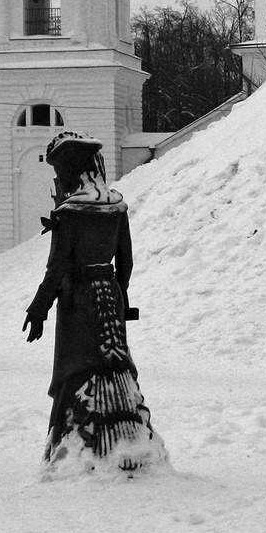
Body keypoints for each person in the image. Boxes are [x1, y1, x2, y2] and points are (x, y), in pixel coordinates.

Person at [23, 130, 167, 472]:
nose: (57, 178)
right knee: (112, 363)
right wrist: (118, 293)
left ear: (70, 169)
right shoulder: (116, 206)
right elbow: (126, 261)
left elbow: (57, 269)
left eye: (59, 171)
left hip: (78, 301)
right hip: (109, 295)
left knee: (75, 370)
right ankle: (125, 435)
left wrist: (38, 309)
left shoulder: (70, 212)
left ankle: (79, 447)